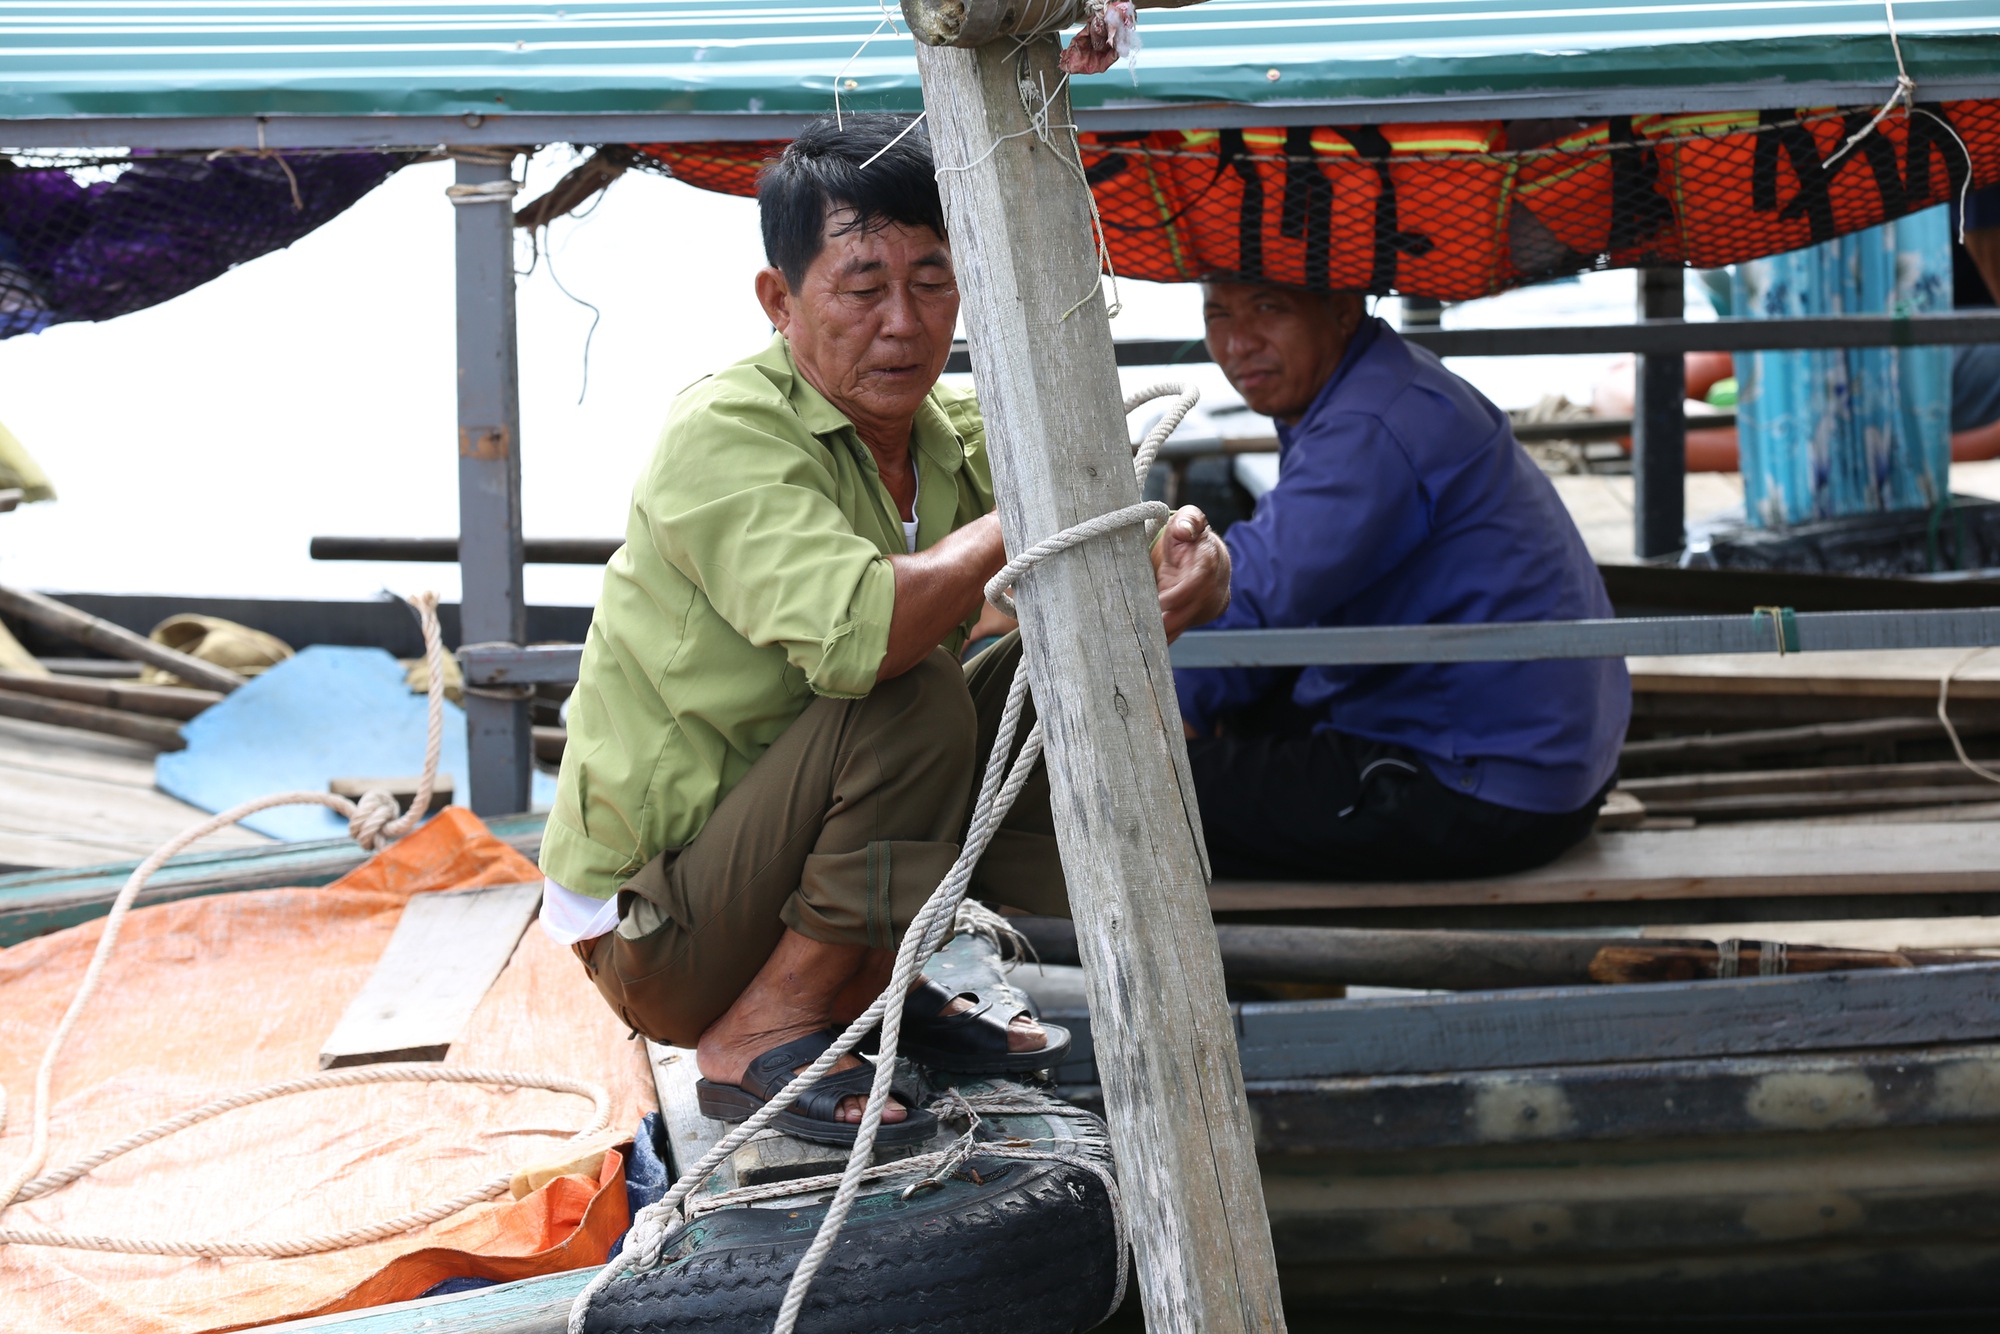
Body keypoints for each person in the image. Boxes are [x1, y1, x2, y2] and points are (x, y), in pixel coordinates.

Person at [537, 113, 1230, 1146]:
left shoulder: (947, 433)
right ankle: (758, 1032)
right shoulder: (723, 432)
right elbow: (873, 637)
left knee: (1060, 675)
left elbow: (1094, 540)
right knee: (911, 689)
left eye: (931, 281)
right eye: (862, 288)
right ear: (780, 300)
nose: (902, 323)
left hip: (770, 874)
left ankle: (882, 976)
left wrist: (1177, 577)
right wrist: (1024, 513)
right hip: (663, 929)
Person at [1174, 283, 1631, 881]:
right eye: (1218, 314)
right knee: (1210, 722)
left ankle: (1258, 974)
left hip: (1481, 786)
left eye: (1268, 308)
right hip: (1546, 752)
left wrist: (1161, 708)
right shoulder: (1392, 380)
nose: (1237, 343)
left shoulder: (1370, 424)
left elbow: (1250, 592)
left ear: (1341, 308)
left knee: (1149, 798)